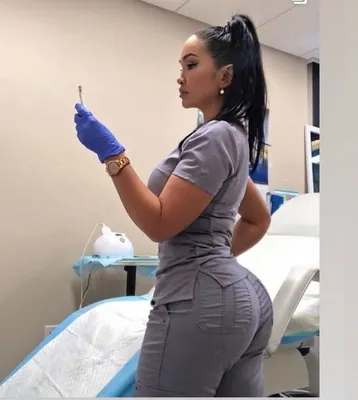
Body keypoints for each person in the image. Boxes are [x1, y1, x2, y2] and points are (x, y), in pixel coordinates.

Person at [74, 14, 273, 397]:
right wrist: (212, 259)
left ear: (225, 76)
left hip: (203, 304)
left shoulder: (215, 137)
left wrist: (112, 156)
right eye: (181, 66)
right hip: (244, 298)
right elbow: (258, 219)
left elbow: (160, 223)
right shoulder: (232, 137)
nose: (180, 77)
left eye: (191, 65)